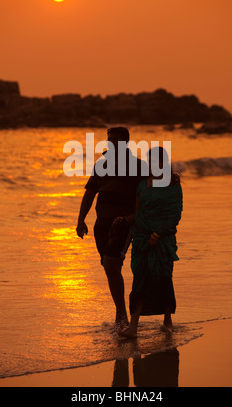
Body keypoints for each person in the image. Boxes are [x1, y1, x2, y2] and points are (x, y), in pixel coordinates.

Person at [76, 127, 148, 328]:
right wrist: (81, 220)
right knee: (110, 267)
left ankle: (122, 315)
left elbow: (145, 198)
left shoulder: (139, 167)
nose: (112, 142)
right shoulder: (102, 165)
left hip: (122, 223)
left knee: (110, 264)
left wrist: (131, 219)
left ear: (126, 142)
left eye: (117, 139)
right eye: (110, 139)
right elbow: (90, 193)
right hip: (102, 223)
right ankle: (121, 313)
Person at [119, 146, 183, 339]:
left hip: (163, 240)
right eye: (151, 161)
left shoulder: (173, 185)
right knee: (139, 280)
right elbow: (139, 213)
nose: (154, 165)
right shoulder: (142, 185)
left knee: (163, 278)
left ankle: (167, 320)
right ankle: (134, 326)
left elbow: (175, 214)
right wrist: (125, 222)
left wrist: (158, 234)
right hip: (141, 240)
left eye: (158, 161)